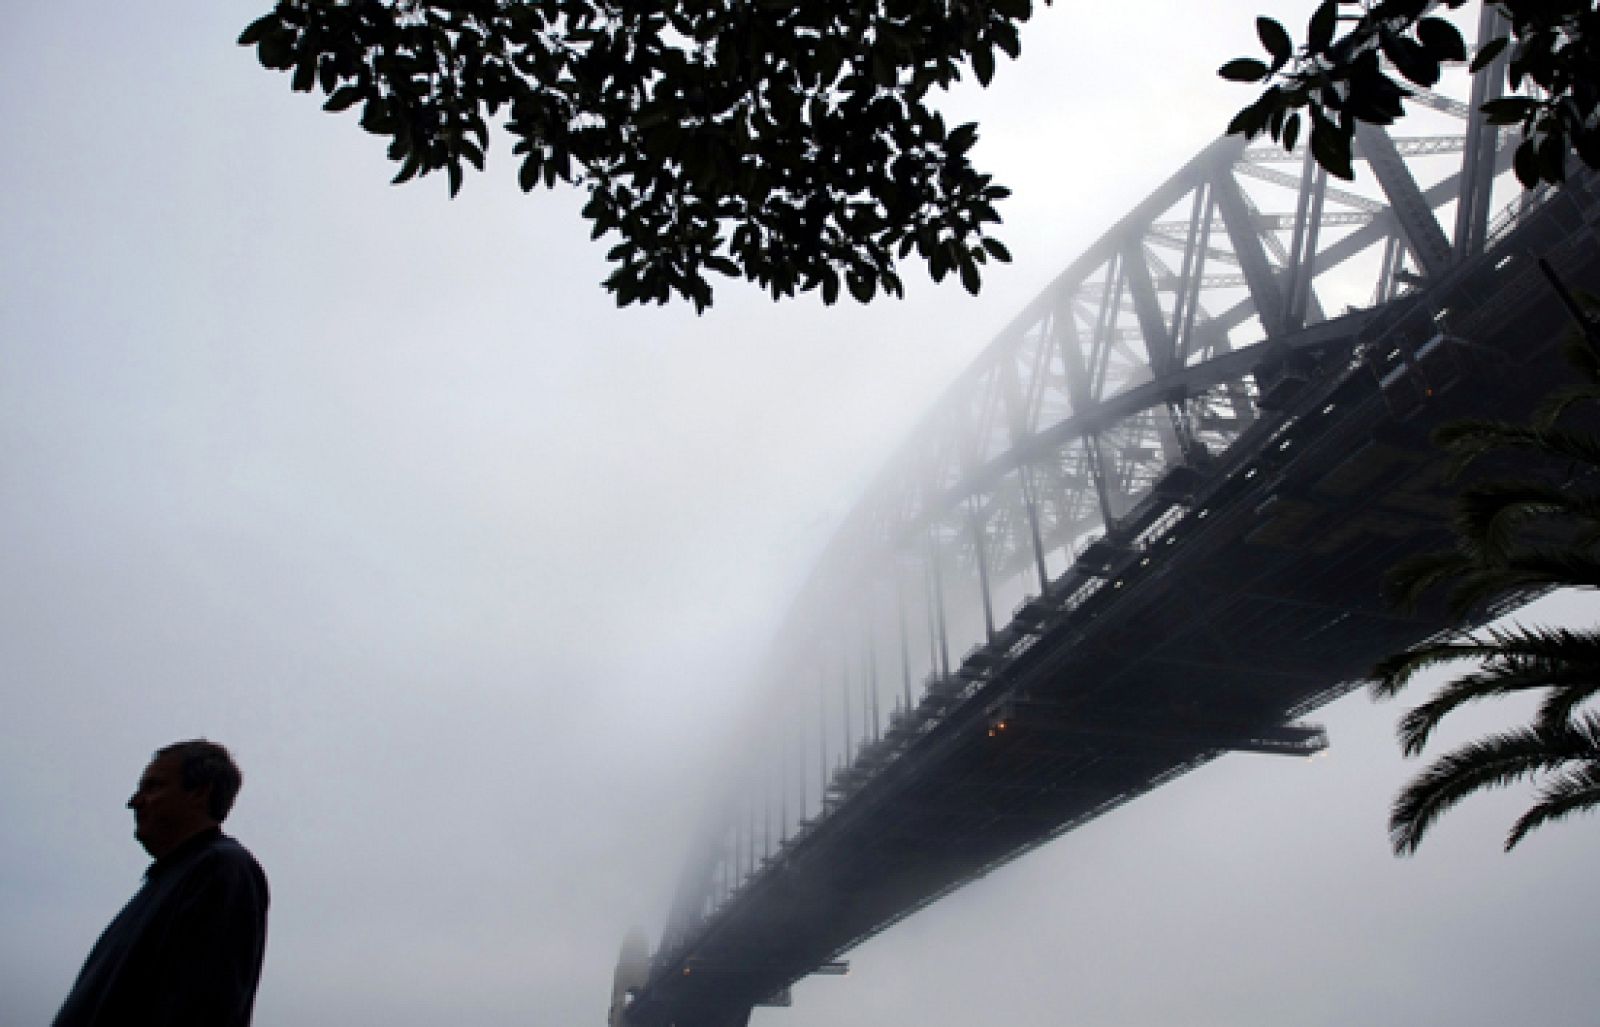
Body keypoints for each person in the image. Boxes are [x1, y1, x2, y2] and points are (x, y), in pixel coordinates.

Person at [54, 739, 270, 1026]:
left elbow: (202, 1004)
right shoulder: (169, 880)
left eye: (153, 787)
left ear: (200, 793)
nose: (133, 801)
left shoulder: (221, 868)